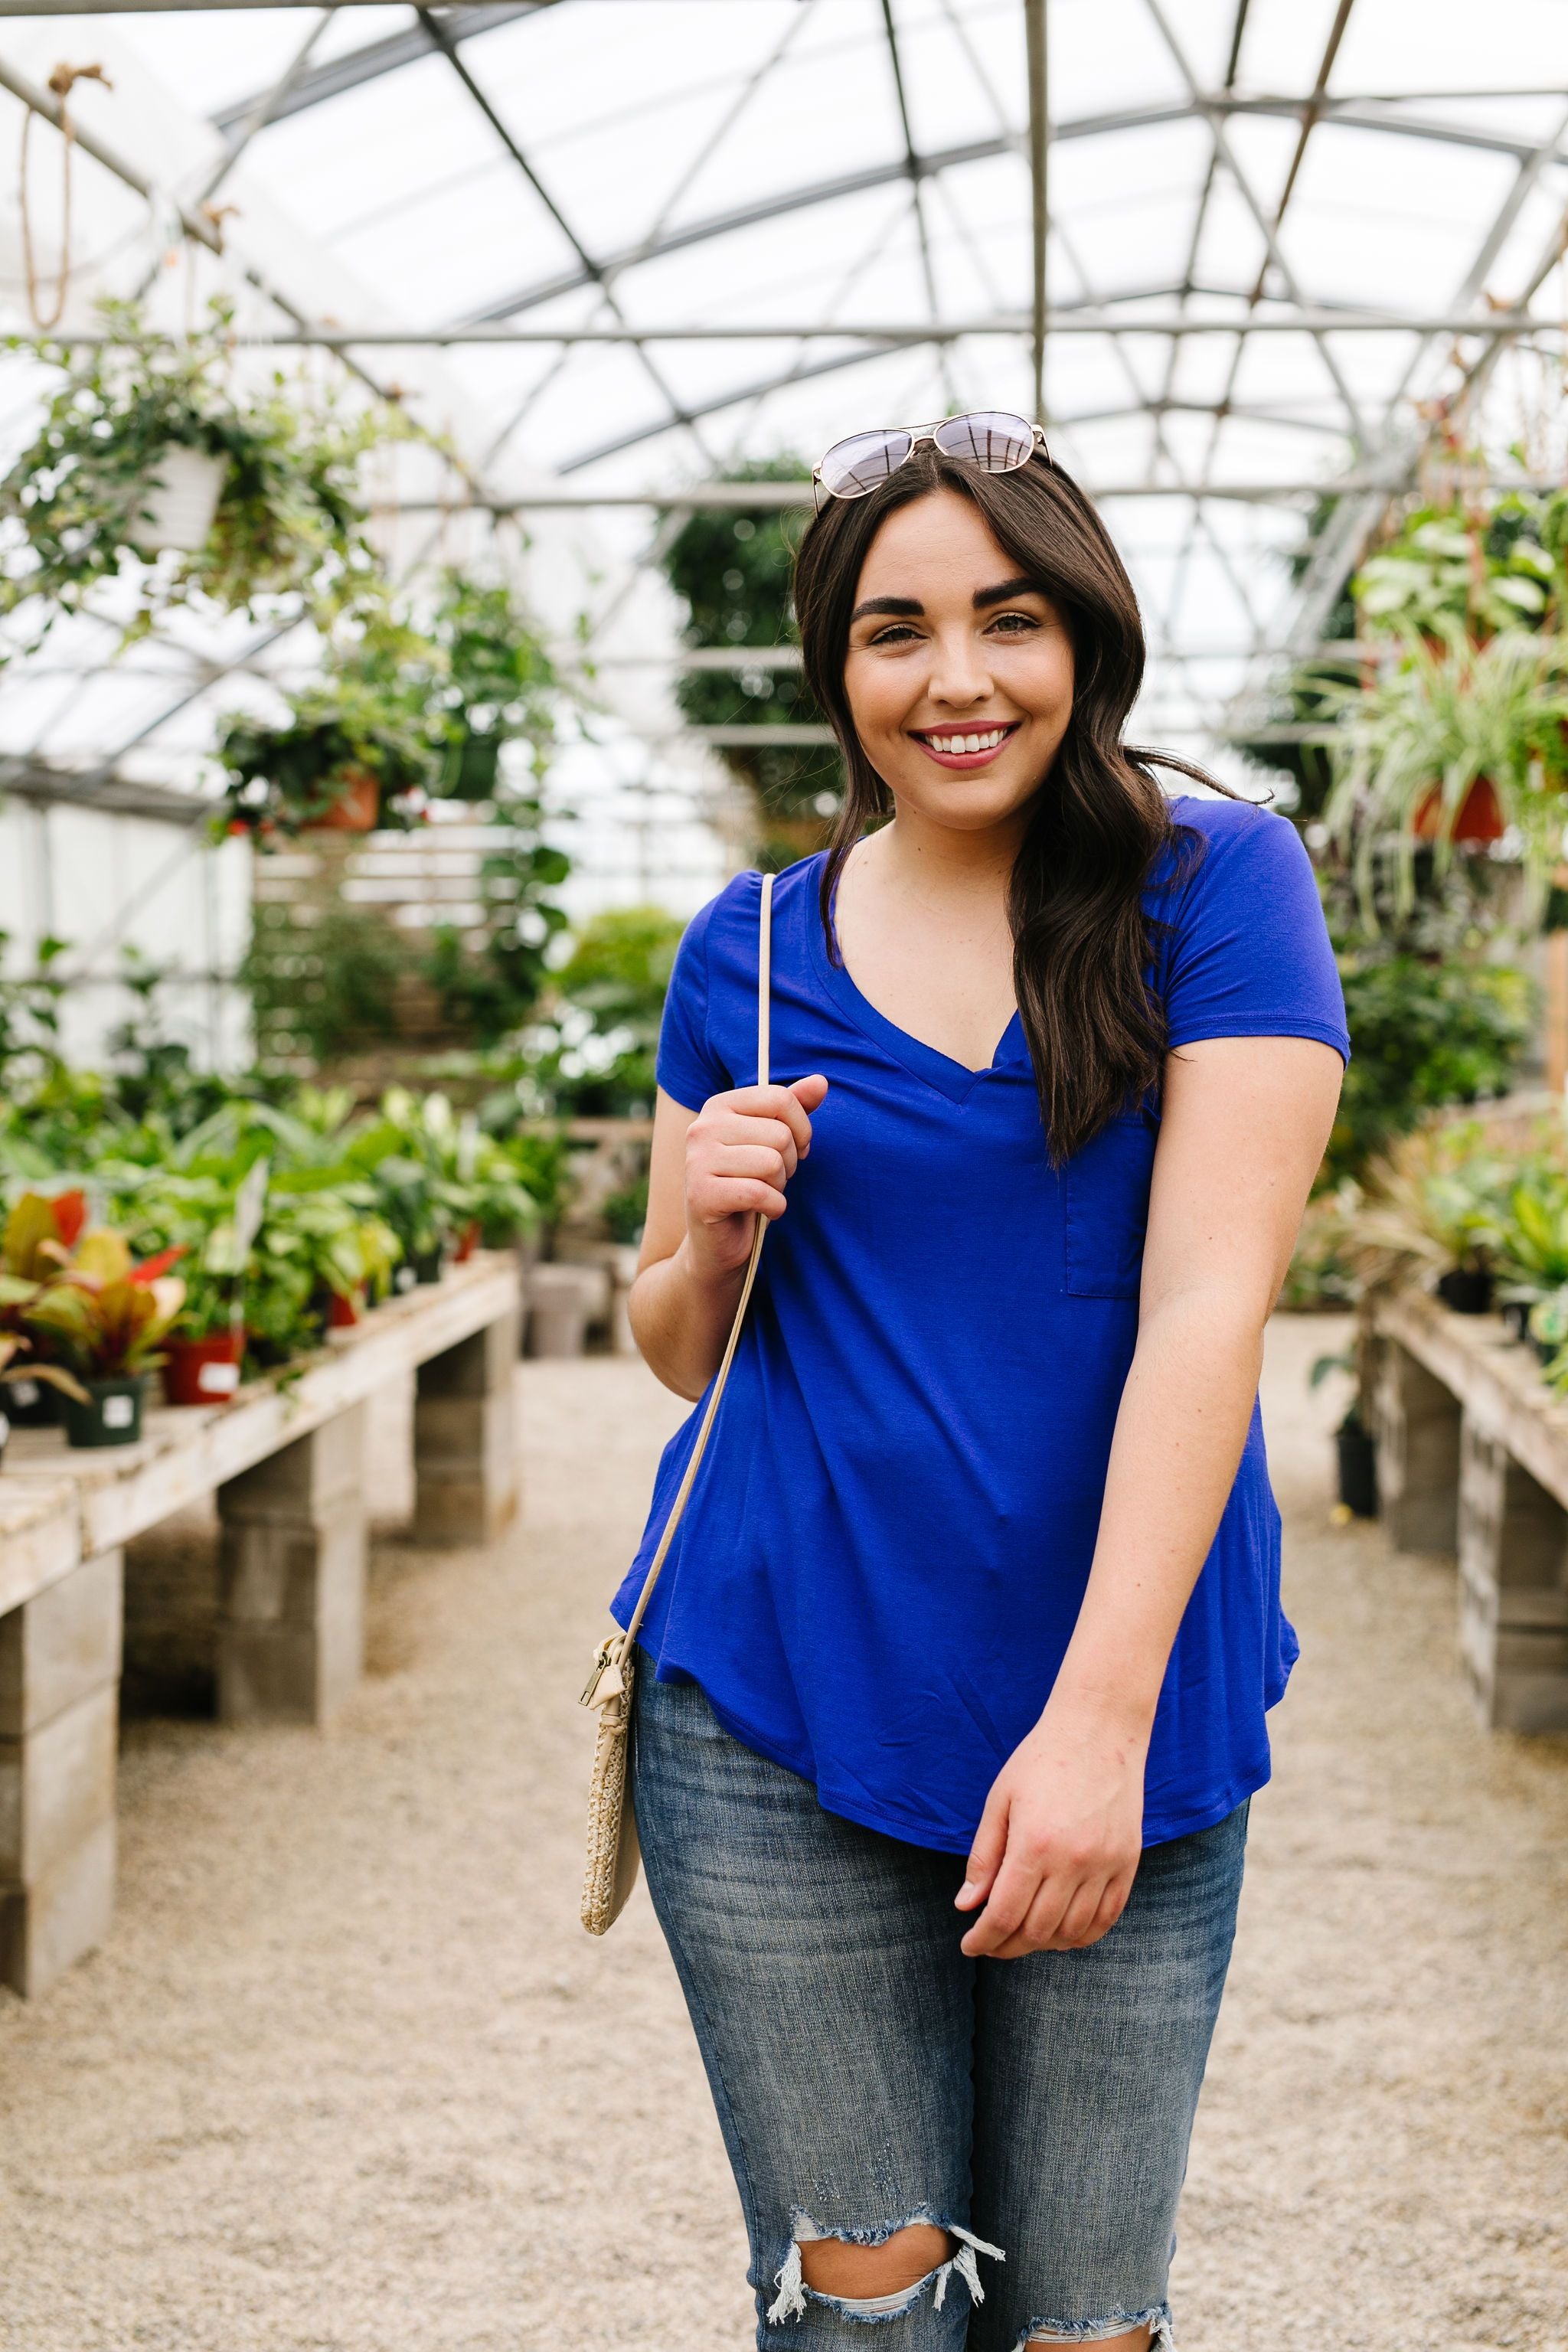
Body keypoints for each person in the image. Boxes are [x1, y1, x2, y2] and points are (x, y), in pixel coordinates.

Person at [613, 413, 1347, 2352]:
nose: (954, 679)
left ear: (1082, 635)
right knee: (860, 2315)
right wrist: (705, 1231)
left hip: (1130, 1705)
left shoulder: (1218, 886)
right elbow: (676, 1346)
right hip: (779, 1701)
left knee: (1087, 2316)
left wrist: (1097, 1725)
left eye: (1005, 620)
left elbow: (1209, 1301)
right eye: (893, 631)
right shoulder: (749, 947)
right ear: (835, 672)